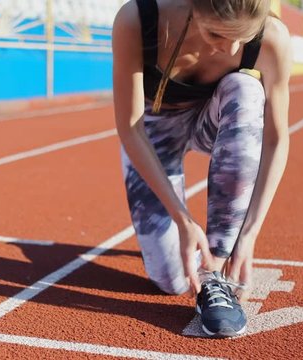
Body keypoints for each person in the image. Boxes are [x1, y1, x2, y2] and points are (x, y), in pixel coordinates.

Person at [112, 0, 291, 337]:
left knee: (246, 89)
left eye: (244, 36)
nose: (232, 48)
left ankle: (214, 272)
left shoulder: (273, 39)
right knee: (172, 281)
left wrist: (248, 234)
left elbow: (275, 140)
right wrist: (183, 219)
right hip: (153, 134)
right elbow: (130, 127)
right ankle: (187, 255)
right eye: (217, 34)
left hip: (213, 119)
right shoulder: (139, 20)